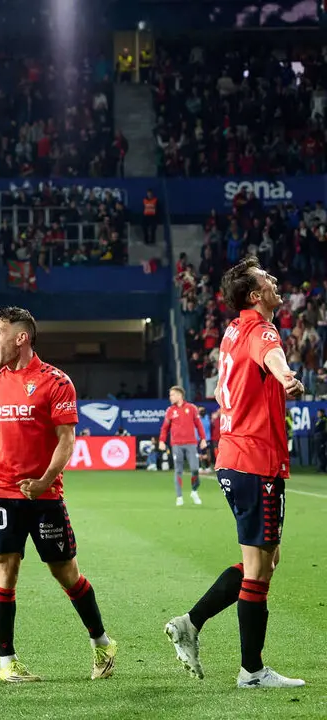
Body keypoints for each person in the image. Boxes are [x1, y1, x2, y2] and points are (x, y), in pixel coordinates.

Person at [164, 257, 305, 688]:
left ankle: (191, 622)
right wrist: (286, 377)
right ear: (255, 295)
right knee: (260, 569)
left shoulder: (233, 329)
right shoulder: (261, 329)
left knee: (263, 561)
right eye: (268, 280)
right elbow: (273, 356)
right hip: (256, 461)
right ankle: (252, 670)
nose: (277, 282)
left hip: (235, 458)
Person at [0, 306, 117, 683]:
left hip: (44, 496)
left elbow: (67, 439)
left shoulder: (55, 382)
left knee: (65, 573)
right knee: (4, 572)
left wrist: (47, 479)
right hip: (0, 493)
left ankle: (102, 643)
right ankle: (7, 663)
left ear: (21, 337)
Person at [159, 385, 207, 506]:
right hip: (176, 445)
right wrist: (161, 441)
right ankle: (179, 496)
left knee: (195, 469)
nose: (170, 397)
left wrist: (203, 439)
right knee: (178, 470)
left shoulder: (191, 408)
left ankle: (194, 491)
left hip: (191, 443)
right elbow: (165, 428)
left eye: (172, 395)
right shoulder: (170, 410)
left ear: (180, 395)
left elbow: (199, 425)